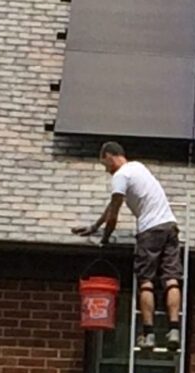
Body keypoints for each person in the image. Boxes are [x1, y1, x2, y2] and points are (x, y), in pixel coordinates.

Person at [73, 141, 182, 352]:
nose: (106, 169)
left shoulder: (120, 175)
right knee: (171, 278)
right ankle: (174, 330)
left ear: (110, 156)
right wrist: (95, 226)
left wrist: (104, 238)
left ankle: (149, 335)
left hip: (150, 231)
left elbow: (115, 212)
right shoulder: (138, 167)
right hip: (170, 226)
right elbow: (111, 206)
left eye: (104, 163)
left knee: (146, 282)